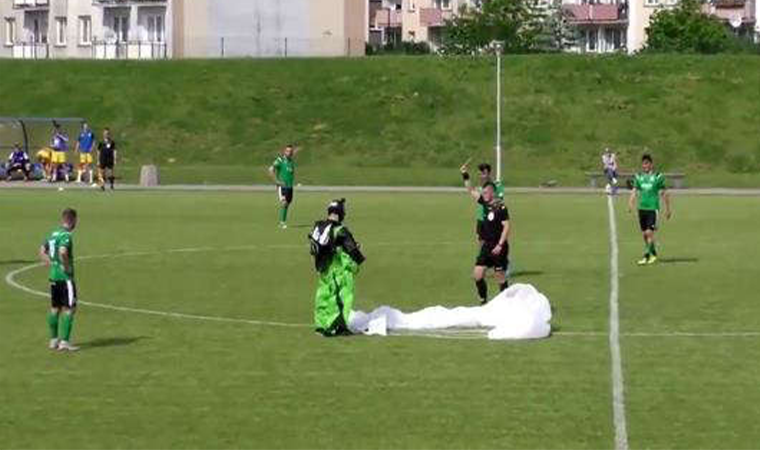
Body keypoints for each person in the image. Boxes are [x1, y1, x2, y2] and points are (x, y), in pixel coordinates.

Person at [309, 198, 365, 337]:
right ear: (341, 213)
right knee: (342, 299)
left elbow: (313, 249)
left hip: (323, 270)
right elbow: (354, 252)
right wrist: (359, 254)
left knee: (323, 297)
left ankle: (321, 326)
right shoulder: (341, 230)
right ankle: (336, 327)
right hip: (338, 271)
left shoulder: (318, 227)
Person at [461, 165, 511, 304]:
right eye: (483, 192)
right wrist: (465, 174)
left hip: (499, 247)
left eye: (486, 192)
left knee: (499, 277)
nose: (483, 194)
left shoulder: (501, 207)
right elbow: (471, 190)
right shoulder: (484, 203)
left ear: (492, 192)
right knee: (477, 275)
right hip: (487, 246)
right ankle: (483, 301)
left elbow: (507, 227)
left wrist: (500, 245)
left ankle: (507, 304)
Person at [39, 208, 80, 351]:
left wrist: (49, 263)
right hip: (65, 278)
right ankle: (65, 342)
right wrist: (66, 267)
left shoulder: (53, 234)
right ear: (73, 220)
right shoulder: (66, 235)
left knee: (55, 308)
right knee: (69, 309)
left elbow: (41, 251)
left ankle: (53, 340)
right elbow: (63, 251)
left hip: (53, 276)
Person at [627, 154, 672, 265]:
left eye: (647, 163)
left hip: (652, 209)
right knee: (644, 234)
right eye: (643, 163)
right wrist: (630, 203)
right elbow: (634, 191)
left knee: (649, 233)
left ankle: (646, 256)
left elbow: (664, 193)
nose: (645, 165)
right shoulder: (638, 177)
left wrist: (668, 209)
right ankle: (653, 254)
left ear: (651, 164)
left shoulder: (657, 177)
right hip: (641, 208)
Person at [268, 144, 300, 229]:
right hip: (282, 186)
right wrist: (277, 181)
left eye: (290, 151)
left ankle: (283, 222)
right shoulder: (280, 160)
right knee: (284, 202)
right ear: (284, 152)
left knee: (287, 204)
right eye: (287, 151)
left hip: (289, 187)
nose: (289, 153)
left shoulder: (291, 161)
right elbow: (271, 170)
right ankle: (282, 223)